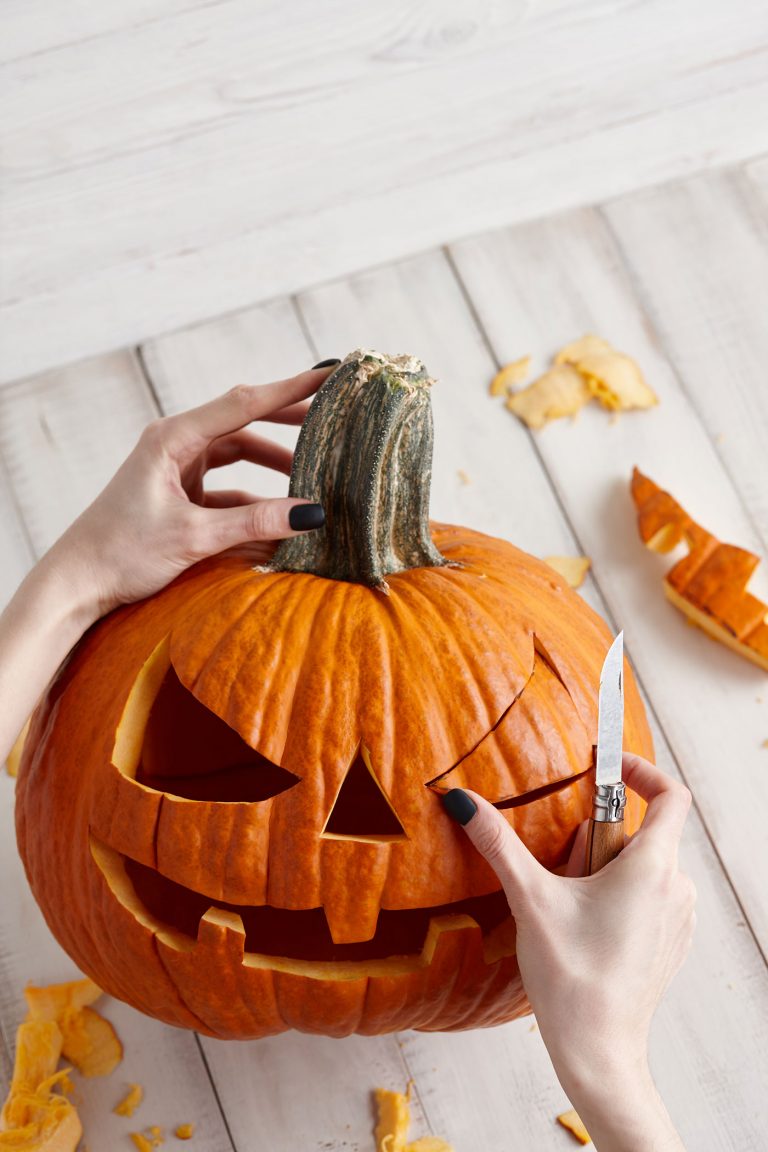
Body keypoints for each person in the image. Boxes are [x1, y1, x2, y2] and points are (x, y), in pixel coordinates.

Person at [0, 362, 695, 1151]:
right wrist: (611, 1070)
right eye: (250, 754)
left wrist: (78, 578)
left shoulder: (522, 614)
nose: (357, 847)